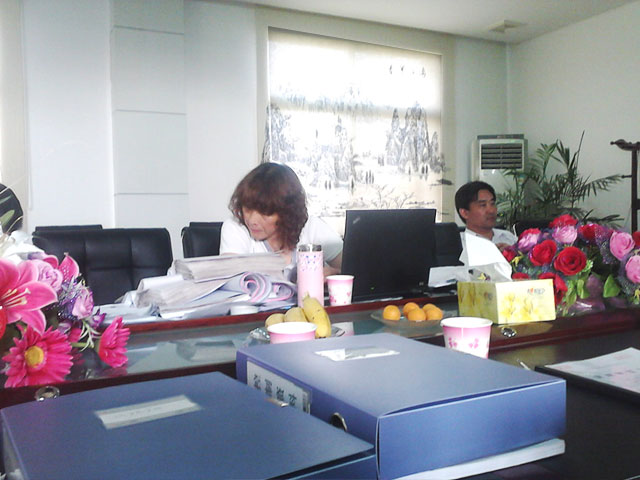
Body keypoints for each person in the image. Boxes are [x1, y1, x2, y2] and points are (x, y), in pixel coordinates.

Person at [219, 162, 343, 279]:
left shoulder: (312, 227)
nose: (252, 221)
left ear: (287, 212)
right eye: (247, 209)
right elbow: (229, 279)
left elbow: (350, 266)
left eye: (265, 212)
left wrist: (336, 273)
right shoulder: (235, 228)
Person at [455, 181, 517, 251]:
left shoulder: (508, 237)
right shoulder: (457, 244)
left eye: (492, 203)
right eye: (483, 205)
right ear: (465, 213)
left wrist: (513, 253)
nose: (491, 210)